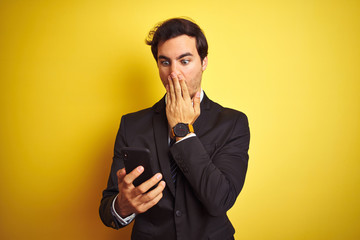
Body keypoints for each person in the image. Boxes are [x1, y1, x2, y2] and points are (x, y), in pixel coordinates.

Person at [99, 17, 250, 240]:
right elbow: (107, 211)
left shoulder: (232, 123)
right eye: (165, 62)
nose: (174, 74)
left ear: (204, 62)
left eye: (185, 61)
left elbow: (220, 200)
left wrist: (183, 130)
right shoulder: (131, 125)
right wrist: (123, 206)